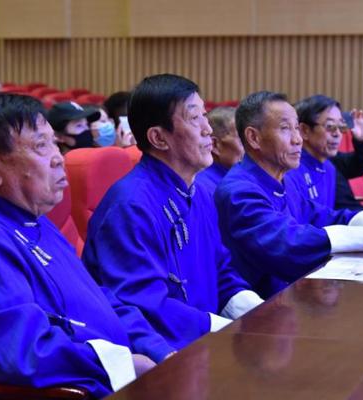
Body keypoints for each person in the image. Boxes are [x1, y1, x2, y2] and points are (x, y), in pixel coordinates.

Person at [0, 94, 175, 398]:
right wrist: (124, 364)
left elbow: (101, 300)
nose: (59, 158)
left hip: (120, 378)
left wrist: (160, 351)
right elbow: (25, 354)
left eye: (54, 143)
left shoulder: (35, 222)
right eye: (40, 146)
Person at [82, 74, 263, 350]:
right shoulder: (130, 206)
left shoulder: (199, 191)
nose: (208, 130)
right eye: (194, 118)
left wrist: (259, 312)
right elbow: (142, 305)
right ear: (158, 137)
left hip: (205, 339)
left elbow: (221, 271)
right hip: (165, 353)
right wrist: (220, 328)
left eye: (205, 116)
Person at [214, 91, 363, 298]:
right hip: (262, 306)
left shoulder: (282, 179)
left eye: (296, 128)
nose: (297, 139)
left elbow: (321, 216)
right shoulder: (239, 191)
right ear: (253, 138)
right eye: (285, 129)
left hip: (294, 296)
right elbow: (290, 243)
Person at [291, 95, 363, 210]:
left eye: (340, 126)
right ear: (305, 130)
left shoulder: (328, 165)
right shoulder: (291, 169)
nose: (337, 134)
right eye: (330, 126)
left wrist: (362, 140)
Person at [196, 106, 244, 194]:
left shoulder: (243, 177)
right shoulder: (203, 187)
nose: (250, 147)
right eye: (242, 140)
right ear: (214, 145)